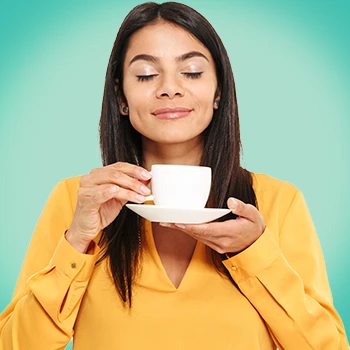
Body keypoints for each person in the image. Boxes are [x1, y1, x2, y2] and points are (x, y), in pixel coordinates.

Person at [0, 2, 348, 349]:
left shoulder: (278, 201)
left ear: (218, 93)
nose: (170, 88)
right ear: (121, 96)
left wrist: (254, 254)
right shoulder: (79, 200)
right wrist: (77, 240)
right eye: (146, 75)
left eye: (192, 72)